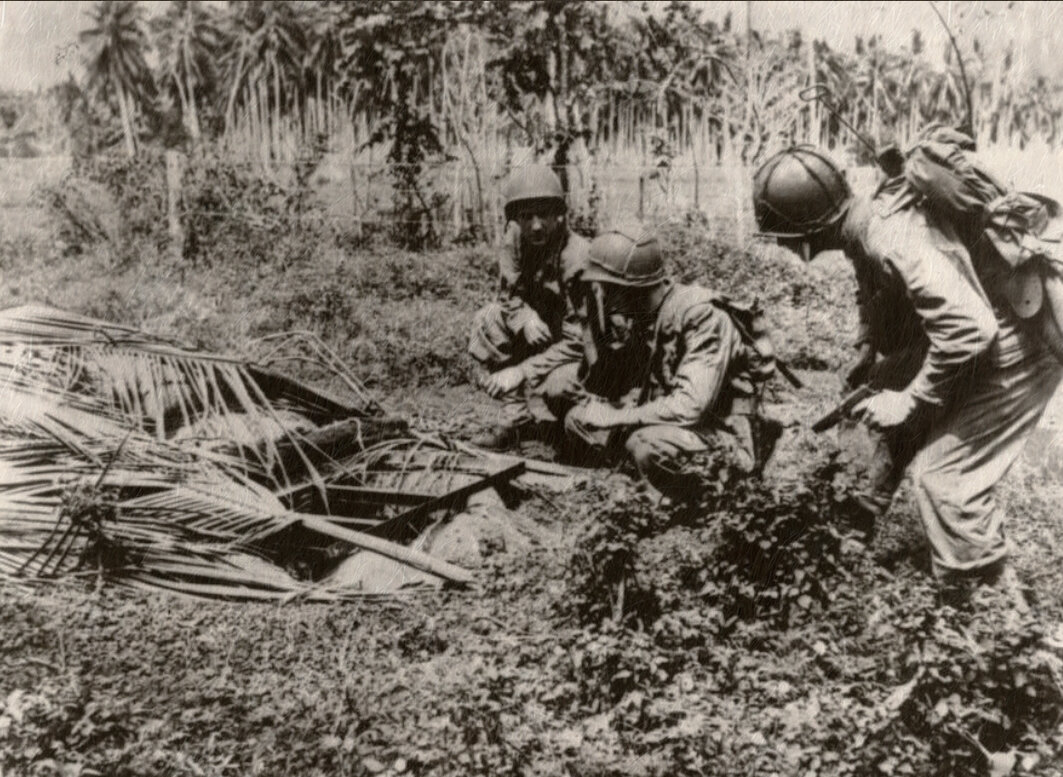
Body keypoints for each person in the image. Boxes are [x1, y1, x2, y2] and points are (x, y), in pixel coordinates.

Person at [752, 145, 1063, 601]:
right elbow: (870, 283)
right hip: (984, 322)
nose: (781, 247)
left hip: (1022, 341)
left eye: (781, 236)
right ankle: (849, 536)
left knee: (944, 479)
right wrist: (867, 347)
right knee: (869, 398)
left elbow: (969, 331)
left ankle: (988, 607)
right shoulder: (860, 222)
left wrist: (911, 400)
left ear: (803, 234)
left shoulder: (886, 233)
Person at [551, 226, 775, 500]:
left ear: (631, 288)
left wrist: (616, 416)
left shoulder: (702, 316)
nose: (604, 299)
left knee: (645, 445)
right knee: (578, 420)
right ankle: (635, 480)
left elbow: (690, 406)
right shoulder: (644, 315)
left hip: (723, 435)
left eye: (608, 289)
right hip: (674, 428)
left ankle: (708, 499)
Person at [468, 164, 589, 450]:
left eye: (544, 215)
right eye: (526, 216)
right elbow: (507, 294)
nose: (535, 225)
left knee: (560, 389)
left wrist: (520, 371)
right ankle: (517, 422)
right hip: (541, 329)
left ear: (559, 214)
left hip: (579, 346)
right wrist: (525, 317)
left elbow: (579, 341)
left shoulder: (577, 258)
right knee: (488, 319)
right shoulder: (515, 239)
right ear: (516, 220)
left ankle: (565, 428)